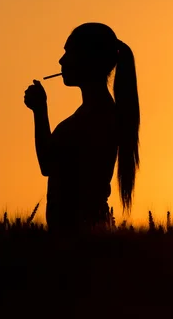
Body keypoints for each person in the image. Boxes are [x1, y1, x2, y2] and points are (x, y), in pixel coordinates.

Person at [24, 22, 140, 233]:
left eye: (69, 53)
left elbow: (48, 164)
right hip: (81, 237)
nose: (62, 61)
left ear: (89, 59)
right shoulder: (97, 113)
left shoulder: (97, 117)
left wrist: (40, 111)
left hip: (81, 239)